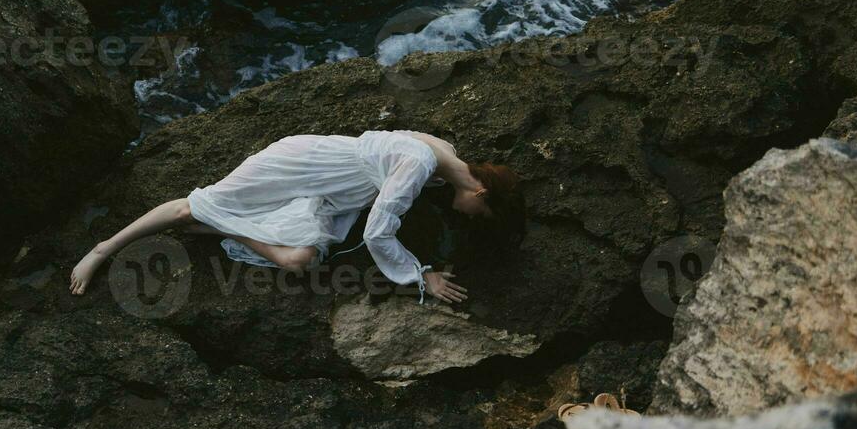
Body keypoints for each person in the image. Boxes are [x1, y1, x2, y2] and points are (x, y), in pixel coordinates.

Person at [69, 129, 526, 304]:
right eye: (480, 214)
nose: (470, 218)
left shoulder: (446, 155)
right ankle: (103, 249)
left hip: (329, 192)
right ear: (481, 191)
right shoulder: (424, 165)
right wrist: (419, 275)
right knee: (194, 205)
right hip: (301, 165)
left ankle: (215, 229)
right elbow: (378, 229)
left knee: (300, 261)